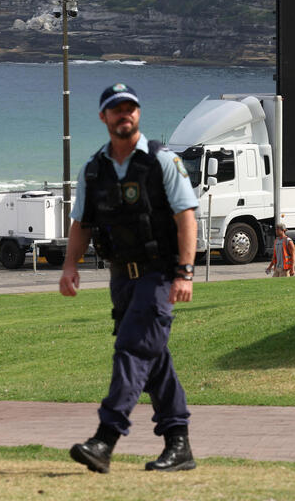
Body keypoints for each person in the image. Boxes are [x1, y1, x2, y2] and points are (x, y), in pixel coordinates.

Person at [59, 83, 198, 474]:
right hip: (122, 277)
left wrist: (184, 273)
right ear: (103, 117)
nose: (125, 115)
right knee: (153, 359)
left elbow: (186, 217)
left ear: (138, 114)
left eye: (131, 108)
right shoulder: (93, 169)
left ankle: (106, 439)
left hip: (158, 275)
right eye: (116, 109)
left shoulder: (162, 162)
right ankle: (179, 444)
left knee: (133, 349)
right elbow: (82, 223)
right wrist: (70, 266)